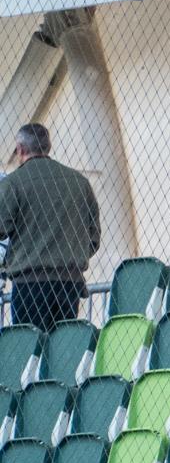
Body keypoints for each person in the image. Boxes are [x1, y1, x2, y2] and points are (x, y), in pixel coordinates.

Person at [0, 124, 99, 331]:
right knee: (61, 344)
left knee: (30, 344)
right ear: (48, 146)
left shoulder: (14, 183)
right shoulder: (79, 183)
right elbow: (93, 237)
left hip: (30, 283)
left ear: (20, 149)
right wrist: (71, 254)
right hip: (69, 282)